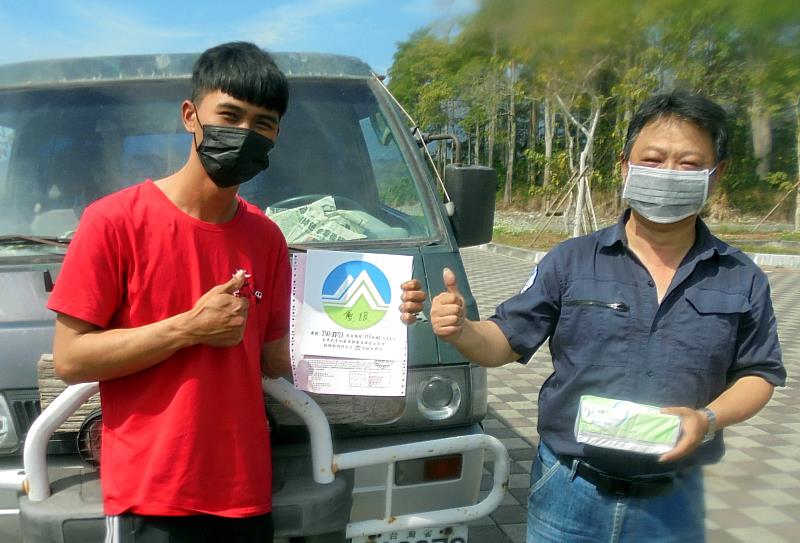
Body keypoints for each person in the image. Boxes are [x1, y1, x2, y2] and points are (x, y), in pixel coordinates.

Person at [47, 41, 423, 543]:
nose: (244, 133)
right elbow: (71, 358)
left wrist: (376, 323)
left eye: (262, 123)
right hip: (154, 491)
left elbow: (272, 358)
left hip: (244, 489)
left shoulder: (266, 237)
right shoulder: (113, 222)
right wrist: (188, 328)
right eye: (230, 114)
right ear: (190, 115)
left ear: (276, 135)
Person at [400, 91, 786, 542]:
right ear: (625, 166)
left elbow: (759, 374)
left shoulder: (741, 276)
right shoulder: (571, 261)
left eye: (687, 164)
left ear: (715, 174)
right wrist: (462, 330)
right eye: (654, 159)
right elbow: (504, 340)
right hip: (569, 487)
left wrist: (709, 419)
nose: (667, 175)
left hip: (674, 500)